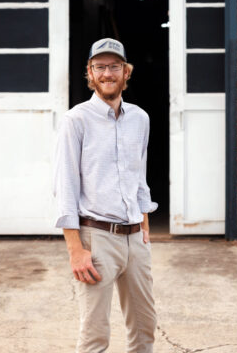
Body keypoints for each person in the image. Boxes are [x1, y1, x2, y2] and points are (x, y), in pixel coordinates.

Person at [54, 37, 158, 353]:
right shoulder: (76, 120)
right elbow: (65, 187)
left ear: (127, 72)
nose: (107, 74)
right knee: (95, 336)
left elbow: (139, 177)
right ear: (90, 72)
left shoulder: (140, 119)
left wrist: (144, 227)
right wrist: (75, 249)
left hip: (134, 239)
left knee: (145, 328)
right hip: (97, 239)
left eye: (114, 66)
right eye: (100, 67)